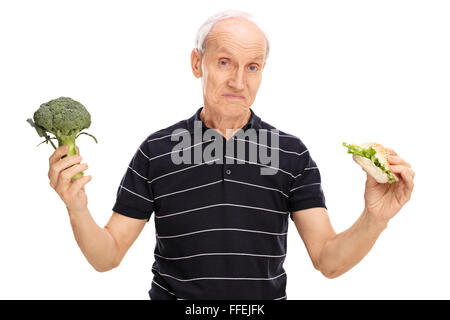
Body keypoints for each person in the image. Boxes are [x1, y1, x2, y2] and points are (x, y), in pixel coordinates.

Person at [47, 10, 415, 300]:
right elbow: (106, 257)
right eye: (224, 62)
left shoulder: (291, 154)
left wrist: (374, 218)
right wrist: (76, 207)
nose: (239, 80)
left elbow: (328, 262)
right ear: (197, 63)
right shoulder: (156, 151)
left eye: (252, 66)